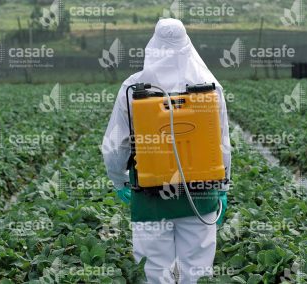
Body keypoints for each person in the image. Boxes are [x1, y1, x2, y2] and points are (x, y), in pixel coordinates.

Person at [102, 18, 231, 284]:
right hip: (201, 195)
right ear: (188, 45)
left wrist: (120, 181)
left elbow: (115, 146)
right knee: (196, 272)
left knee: (155, 273)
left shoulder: (133, 88)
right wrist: (223, 188)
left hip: (150, 198)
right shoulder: (211, 87)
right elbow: (222, 145)